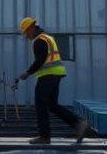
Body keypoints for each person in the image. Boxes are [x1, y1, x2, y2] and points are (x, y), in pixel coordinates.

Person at [15, 17, 89, 145]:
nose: (26, 36)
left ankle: (44, 136)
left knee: (40, 103)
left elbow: (41, 59)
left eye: (26, 32)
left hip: (48, 75)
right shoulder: (48, 37)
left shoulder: (39, 40)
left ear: (31, 28)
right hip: (56, 74)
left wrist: (28, 72)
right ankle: (79, 124)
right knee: (52, 105)